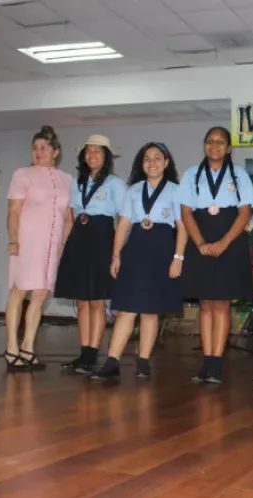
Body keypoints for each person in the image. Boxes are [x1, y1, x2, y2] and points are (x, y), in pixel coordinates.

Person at [91, 142, 187, 380]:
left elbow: (183, 227)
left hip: (162, 249)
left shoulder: (176, 190)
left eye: (157, 158)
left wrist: (178, 257)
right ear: (141, 163)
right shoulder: (133, 190)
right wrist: (116, 255)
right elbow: (123, 224)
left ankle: (143, 361)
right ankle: (112, 361)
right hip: (135, 250)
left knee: (150, 311)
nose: (151, 163)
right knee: (126, 309)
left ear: (166, 163)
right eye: (147, 158)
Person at [177, 126, 253, 384]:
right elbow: (186, 212)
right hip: (200, 241)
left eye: (220, 142)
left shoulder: (239, 175)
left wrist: (224, 242)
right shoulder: (192, 174)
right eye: (210, 141)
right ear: (204, 145)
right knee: (205, 304)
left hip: (230, 242)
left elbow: (244, 213)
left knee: (222, 303)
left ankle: (217, 363)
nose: (215, 146)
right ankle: (206, 360)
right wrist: (200, 242)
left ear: (228, 148)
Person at [55, 134, 127, 374]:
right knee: (82, 301)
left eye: (97, 151)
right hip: (80, 237)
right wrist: (67, 243)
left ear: (106, 156)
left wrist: (117, 251)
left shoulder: (115, 183)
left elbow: (123, 218)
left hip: (102, 237)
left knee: (97, 300)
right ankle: (84, 354)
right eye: (88, 152)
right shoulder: (78, 182)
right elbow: (72, 214)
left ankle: (93, 354)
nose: (92, 155)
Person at [4, 125, 73, 371]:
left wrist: (65, 244)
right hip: (27, 240)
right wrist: (13, 240)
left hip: (52, 245)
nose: (39, 152)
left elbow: (69, 216)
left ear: (56, 151)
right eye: (35, 148)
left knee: (41, 295)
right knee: (19, 291)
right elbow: (13, 211)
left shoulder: (67, 180)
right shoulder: (23, 174)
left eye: (44, 148)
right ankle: (11, 347)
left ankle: (28, 348)